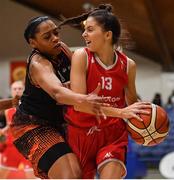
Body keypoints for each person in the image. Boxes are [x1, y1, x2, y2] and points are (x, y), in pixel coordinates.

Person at [9, 16, 110, 179]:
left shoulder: (62, 49)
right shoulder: (38, 64)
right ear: (33, 42)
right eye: (47, 37)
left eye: (56, 33)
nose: (55, 38)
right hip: (33, 125)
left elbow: (82, 75)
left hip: (60, 123)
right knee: (68, 175)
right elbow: (57, 93)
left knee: (79, 174)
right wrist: (83, 99)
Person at [59, 4, 151, 179]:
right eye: (85, 30)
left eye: (90, 30)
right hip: (81, 133)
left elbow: (132, 102)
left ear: (107, 35)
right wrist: (121, 112)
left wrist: (147, 121)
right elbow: (80, 105)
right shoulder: (81, 56)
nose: (84, 34)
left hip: (113, 135)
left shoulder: (128, 65)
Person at [0, 81, 36, 179]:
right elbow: (8, 127)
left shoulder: (31, 107)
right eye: (14, 89)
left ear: (24, 90)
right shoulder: (7, 110)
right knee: (2, 175)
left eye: (20, 88)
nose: (17, 91)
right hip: (11, 147)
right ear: (11, 91)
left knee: (31, 176)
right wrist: (3, 132)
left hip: (27, 148)